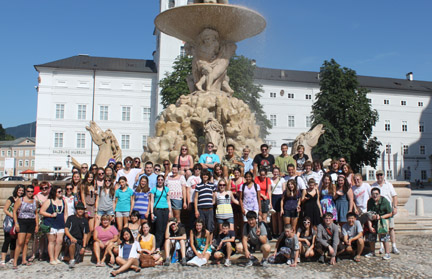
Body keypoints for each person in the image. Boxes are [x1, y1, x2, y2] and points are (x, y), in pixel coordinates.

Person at [371, 170, 399, 255]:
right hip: (378, 210)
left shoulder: (389, 185)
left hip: (387, 209)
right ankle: (382, 246)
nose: (379, 176)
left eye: (381, 175)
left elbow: (394, 196)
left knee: (391, 228)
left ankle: (394, 246)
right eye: (378, 175)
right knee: (380, 228)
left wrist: (395, 207)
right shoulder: (374, 185)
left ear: (383, 175)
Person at [40, 185, 68, 265]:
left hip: (61, 223)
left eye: (61, 191)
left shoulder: (63, 201)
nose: (61, 193)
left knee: (59, 241)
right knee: (52, 241)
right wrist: (50, 215)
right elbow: (41, 211)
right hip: (51, 223)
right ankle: (51, 258)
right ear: (54, 193)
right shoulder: (49, 201)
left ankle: (56, 257)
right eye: (59, 192)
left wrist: (66, 224)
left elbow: (65, 214)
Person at [12, 185, 38, 269]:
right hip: (22, 221)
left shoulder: (34, 201)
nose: (30, 193)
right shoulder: (21, 200)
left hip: (31, 222)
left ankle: (24, 259)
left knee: (26, 242)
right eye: (28, 191)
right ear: (26, 192)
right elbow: (14, 211)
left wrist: (37, 224)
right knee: (20, 242)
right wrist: (16, 223)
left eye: (31, 191)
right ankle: (15, 261)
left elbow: (36, 213)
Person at [365, 187, 393, 260]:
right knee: (371, 236)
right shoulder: (370, 202)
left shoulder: (384, 201)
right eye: (373, 194)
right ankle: (372, 252)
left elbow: (390, 213)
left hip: (382, 221)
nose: (375, 196)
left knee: (384, 237)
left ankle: (387, 253)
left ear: (379, 194)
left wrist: (380, 217)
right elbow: (368, 214)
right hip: (373, 220)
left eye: (377, 194)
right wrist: (370, 226)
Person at [1, 184, 24, 267]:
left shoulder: (22, 200)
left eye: (22, 190)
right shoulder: (11, 199)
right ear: (16, 190)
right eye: (19, 190)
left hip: (18, 221)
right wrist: (13, 216)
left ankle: (12, 257)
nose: (21, 192)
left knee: (14, 240)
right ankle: (3, 259)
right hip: (10, 221)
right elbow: (5, 209)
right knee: (7, 240)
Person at [150, 175, 173, 250]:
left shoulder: (166, 189)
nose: (160, 181)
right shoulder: (154, 190)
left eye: (161, 180)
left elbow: (168, 201)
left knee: (164, 228)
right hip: (157, 209)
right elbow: (152, 201)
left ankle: (163, 245)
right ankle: (157, 246)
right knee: (158, 228)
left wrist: (170, 211)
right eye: (159, 179)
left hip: (165, 209)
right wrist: (152, 212)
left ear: (163, 181)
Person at [64, 202, 89, 268]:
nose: (80, 210)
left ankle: (65, 257)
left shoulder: (85, 221)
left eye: (82, 209)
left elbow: (85, 234)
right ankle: (71, 260)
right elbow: (66, 229)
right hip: (70, 237)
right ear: (76, 210)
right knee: (72, 243)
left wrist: (84, 247)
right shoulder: (70, 218)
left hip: (79, 240)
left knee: (78, 260)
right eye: (78, 209)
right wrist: (71, 237)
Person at [194, 169, 215, 235]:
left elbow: (214, 195)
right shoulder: (198, 186)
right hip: (201, 209)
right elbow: (196, 198)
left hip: (209, 209)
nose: (205, 176)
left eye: (206, 175)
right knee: (201, 226)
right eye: (204, 175)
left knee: (210, 226)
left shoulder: (212, 185)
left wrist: (213, 202)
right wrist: (196, 210)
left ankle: (210, 243)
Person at [186, 164, 202, 232]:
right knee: (192, 220)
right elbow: (187, 190)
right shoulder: (190, 178)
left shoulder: (202, 178)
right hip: (192, 201)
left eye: (199, 169)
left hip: (201, 201)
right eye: (196, 168)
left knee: (200, 220)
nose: (197, 170)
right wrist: (188, 201)